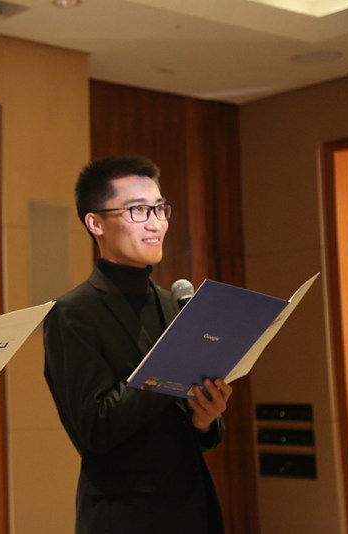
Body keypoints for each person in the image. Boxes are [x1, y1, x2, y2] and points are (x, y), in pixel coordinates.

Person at [43, 155, 232, 533]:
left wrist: (205, 420)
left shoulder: (170, 302)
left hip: (192, 508)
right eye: (138, 210)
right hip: (124, 515)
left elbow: (188, 425)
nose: (156, 223)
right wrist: (170, 363)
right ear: (95, 223)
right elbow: (94, 429)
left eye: (160, 209)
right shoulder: (72, 312)